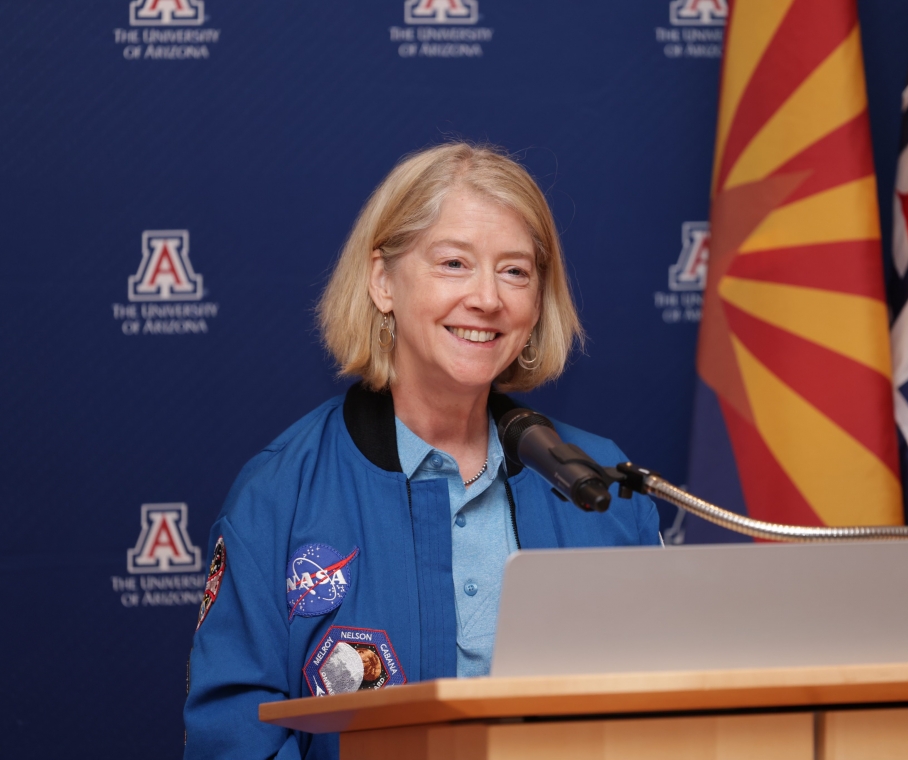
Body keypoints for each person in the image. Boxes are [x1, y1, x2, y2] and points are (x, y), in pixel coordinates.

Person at [183, 142, 661, 759]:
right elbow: (233, 741)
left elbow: (662, 719)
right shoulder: (280, 495)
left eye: (515, 270)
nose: (487, 298)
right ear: (383, 281)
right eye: (454, 263)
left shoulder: (599, 487)